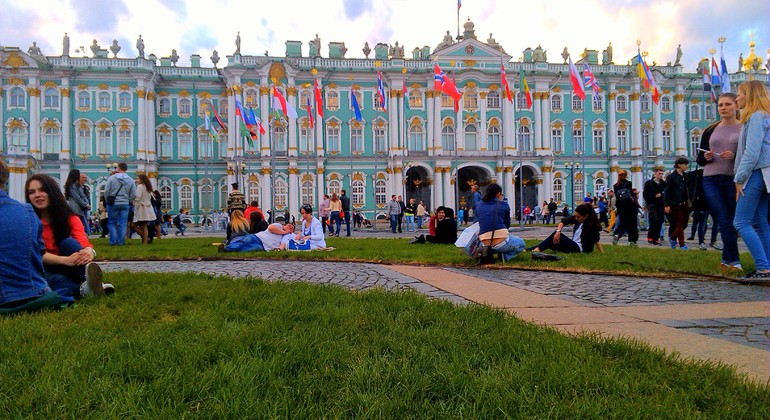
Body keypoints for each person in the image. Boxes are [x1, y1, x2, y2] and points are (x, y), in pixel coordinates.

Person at [0, 160, 75, 311]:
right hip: (35, 293)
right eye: (31, 192)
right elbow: (38, 255)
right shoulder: (28, 212)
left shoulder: (67, 217)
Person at [25, 174, 113, 298]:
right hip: (44, 266)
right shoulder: (28, 221)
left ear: (52, 192)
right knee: (57, 280)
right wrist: (66, 261)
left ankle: (93, 281)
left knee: (68, 243)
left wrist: (89, 252)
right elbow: (36, 253)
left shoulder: (69, 217)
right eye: (32, 192)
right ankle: (85, 290)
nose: (37, 195)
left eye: (42, 190)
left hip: (72, 264)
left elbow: (83, 242)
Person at [696, 92, 742, 270]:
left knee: (733, 219)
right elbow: (699, 158)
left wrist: (734, 155)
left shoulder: (743, 128)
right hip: (711, 179)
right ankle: (735, 261)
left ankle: (726, 259)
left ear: (736, 106)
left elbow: (749, 153)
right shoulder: (710, 130)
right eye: (721, 105)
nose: (723, 108)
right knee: (723, 218)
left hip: (733, 179)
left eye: (728, 104)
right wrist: (706, 157)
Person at [732, 80, 770, 280]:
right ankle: (767, 266)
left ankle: (763, 268)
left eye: (740, 94)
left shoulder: (755, 117)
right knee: (760, 221)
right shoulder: (765, 116)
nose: (737, 98)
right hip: (766, 175)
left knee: (741, 222)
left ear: (750, 95)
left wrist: (739, 178)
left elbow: (752, 152)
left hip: (755, 173)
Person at [472, 183, 525, 261]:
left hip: (484, 244)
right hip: (502, 242)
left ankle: (484, 254)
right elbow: (507, 224)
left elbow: (478, 219)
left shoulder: (478, 205)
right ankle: (506, 256)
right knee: (521, 243)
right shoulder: (503, 205)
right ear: (498, 194)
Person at [528, 203, 604, 254]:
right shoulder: (578, 220)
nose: (576, 219)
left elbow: (596, 240)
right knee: (552, 240)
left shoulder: (592, 226)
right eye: (576, 216)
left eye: (578, 217)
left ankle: (536, 250)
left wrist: (602, 253)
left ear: (586, 216)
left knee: (556, 236)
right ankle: (530, 249)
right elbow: (563, 221)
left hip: (580, 249)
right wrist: (558, 231)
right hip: (573, 245)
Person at [104, 162, 136, 246]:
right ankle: (121, 242)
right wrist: (129, 200)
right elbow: (134, 194)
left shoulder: (111, 178)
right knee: (123, 224)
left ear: (118, 168)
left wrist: (108, 200)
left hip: (113, 203)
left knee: (112, 223)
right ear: (126, 169)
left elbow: (106, 191)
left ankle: (113, 241)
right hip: (125, 203)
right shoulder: (130, 180)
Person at [664, 157, 692, 250]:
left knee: (684, 224)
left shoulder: (686, 176)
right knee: (679, 224)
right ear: (679, 165)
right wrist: (667, 205)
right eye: (685, 164)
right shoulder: (671, 177)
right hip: (675, 203)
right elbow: (667, 191)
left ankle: (672, 237)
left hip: (685, 203)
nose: (686, 166)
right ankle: (682, 244)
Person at [612, 169, 639, 246]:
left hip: (620, 206)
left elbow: (617, 196)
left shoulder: (615, 186)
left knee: (623, 222)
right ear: (626, 175)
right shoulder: (628, 183)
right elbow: (629, 194)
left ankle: (617, 234)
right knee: (632, 223)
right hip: (629, 205)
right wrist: (635, 193)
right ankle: (632, 241)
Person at [643, 168, 666, 246]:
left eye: (662, 174)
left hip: (660, 204)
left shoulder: (663, 184)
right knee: (653, 220)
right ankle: (650, 236)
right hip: (652, 204)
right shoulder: (649, 183)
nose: (661, 175)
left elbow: (666, 193)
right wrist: (650, 199)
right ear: (655, 174)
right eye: (659, 173)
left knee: (660, 221)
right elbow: (645, 194)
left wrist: (662, 195)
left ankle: (656, 238)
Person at [64, 169, 91, 235]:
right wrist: (86, 204)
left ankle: (84, 234)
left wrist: (86, 203)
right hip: (75, 206)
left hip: (78, 206)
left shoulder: (75, 184)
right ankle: (84, 234)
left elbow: (81, 195)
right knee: (78, 222)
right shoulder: (73, 185)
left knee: (81, 221)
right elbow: (77, 197)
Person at [132, 174, 155, 244]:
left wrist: (132, 199)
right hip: (147, 207)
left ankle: (145, 239)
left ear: (141, 179)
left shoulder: (140, 186)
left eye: (138, 179)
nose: (137, 180)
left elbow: (138, 196)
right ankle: (146, 240)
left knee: (134, 225)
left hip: (142, 208)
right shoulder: (148, 187)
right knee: (144, 225)